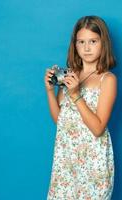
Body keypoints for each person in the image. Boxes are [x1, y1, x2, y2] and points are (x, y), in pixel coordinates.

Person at [45, 16, 117, 199]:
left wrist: (76, 94)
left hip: (93, 161)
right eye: (81, 42)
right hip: (66, 159)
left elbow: (98, 128)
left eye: (93, 41)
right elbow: (60, 120)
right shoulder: (71, 75)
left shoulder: (107, 79)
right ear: (75, 45)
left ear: (103, 43)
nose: (86, 48)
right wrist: (49, 91)